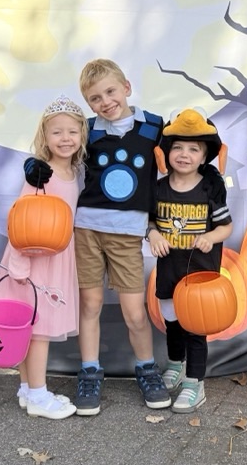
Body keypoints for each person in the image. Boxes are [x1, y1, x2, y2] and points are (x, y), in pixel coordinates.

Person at [26, 59, 170, 414]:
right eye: (95, 98)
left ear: (126, 87)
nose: (105, 101)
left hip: (128, 234)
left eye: (110, 91)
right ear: (88, 103)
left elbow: (171, 172)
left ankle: (146, 369)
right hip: (86, 230)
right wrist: (33, 167)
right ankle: (90, 372)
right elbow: (57, 152)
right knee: (89, 305)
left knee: (134, 312)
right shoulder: (87, 131)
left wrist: (154, 226)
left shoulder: (154, 127)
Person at [0, 95, 87, 420]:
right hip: (33, 261)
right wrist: (19, 263)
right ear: (44, 137)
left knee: (32, 326)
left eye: (72, 132)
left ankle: (26, 388)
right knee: (38, 329)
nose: (65, 139)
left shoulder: (73, 170)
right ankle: (37, 394)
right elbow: (22, 219)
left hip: (57, 258)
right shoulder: (41, 173)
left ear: (82, 135)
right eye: (57, 132)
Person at [147, 109, 232, 412]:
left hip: (200, 275)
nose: (184, 154)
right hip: (169, 270)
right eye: (178, 147)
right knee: (172, 323)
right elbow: (150, 221)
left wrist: (211, 236)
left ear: (204, 156)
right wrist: (153, 234)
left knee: (196, 328)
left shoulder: (209, 189)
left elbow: (226, 226)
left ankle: (195, 382)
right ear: (166, 152)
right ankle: (176, 364)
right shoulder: (158, 189)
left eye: (193, 149)